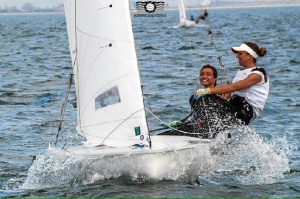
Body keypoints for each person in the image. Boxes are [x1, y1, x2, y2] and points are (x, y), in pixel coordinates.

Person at [194, 41, 269, 125]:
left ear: (249, 56)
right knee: (200, 99)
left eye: (240, 54)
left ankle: (206, 129)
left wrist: (208, 90)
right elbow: (231, 91)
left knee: (205, 99)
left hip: (246, 111)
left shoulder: (258, 74)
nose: (237, 56)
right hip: (236, 105)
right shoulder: (240, 72)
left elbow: (235, 87)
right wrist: (226, 95)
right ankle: (199, 124)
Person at [160, 64, 237, 138]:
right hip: (194, 128)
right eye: (202, 74)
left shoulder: (217, 99)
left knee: (162, 136)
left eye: (208, 74)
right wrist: (180, 122)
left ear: (215, 79)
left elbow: (221, 118)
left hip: (205, 132)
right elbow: (194, 114)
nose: (204, 76)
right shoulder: (197, 96)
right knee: (163, 135)